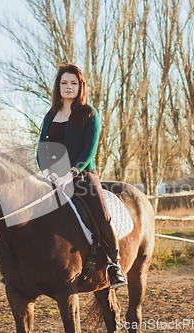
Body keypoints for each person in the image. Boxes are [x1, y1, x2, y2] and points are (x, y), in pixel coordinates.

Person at [36, 64, 127, 289]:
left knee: (101, 215)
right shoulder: (51, 115)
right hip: (52, 178)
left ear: (80, 86)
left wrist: (72, 173)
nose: (68, 87)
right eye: (64, 83)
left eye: (73, 83)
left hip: (83, 175)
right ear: (58, 86)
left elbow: (89, 150)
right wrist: (47, 172)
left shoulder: (89, 113)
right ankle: (26, 265)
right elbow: (41, 148)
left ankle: (113, 264)